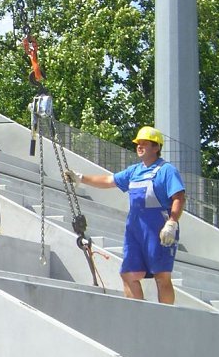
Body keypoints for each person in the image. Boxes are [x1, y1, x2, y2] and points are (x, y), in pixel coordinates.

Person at [65, 126, 185, 304]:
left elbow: (179, 197)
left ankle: (165, 317)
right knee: (128, 274)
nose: (139, 146)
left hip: (158, 230)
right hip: (135, 231)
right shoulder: (134, 171)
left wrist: (172, 222)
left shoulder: (167, 170)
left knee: (161, 276)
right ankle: (138, 315)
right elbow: (108, 180)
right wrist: (81, 178)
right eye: (138, 143)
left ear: (156, 147)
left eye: (144, 143)